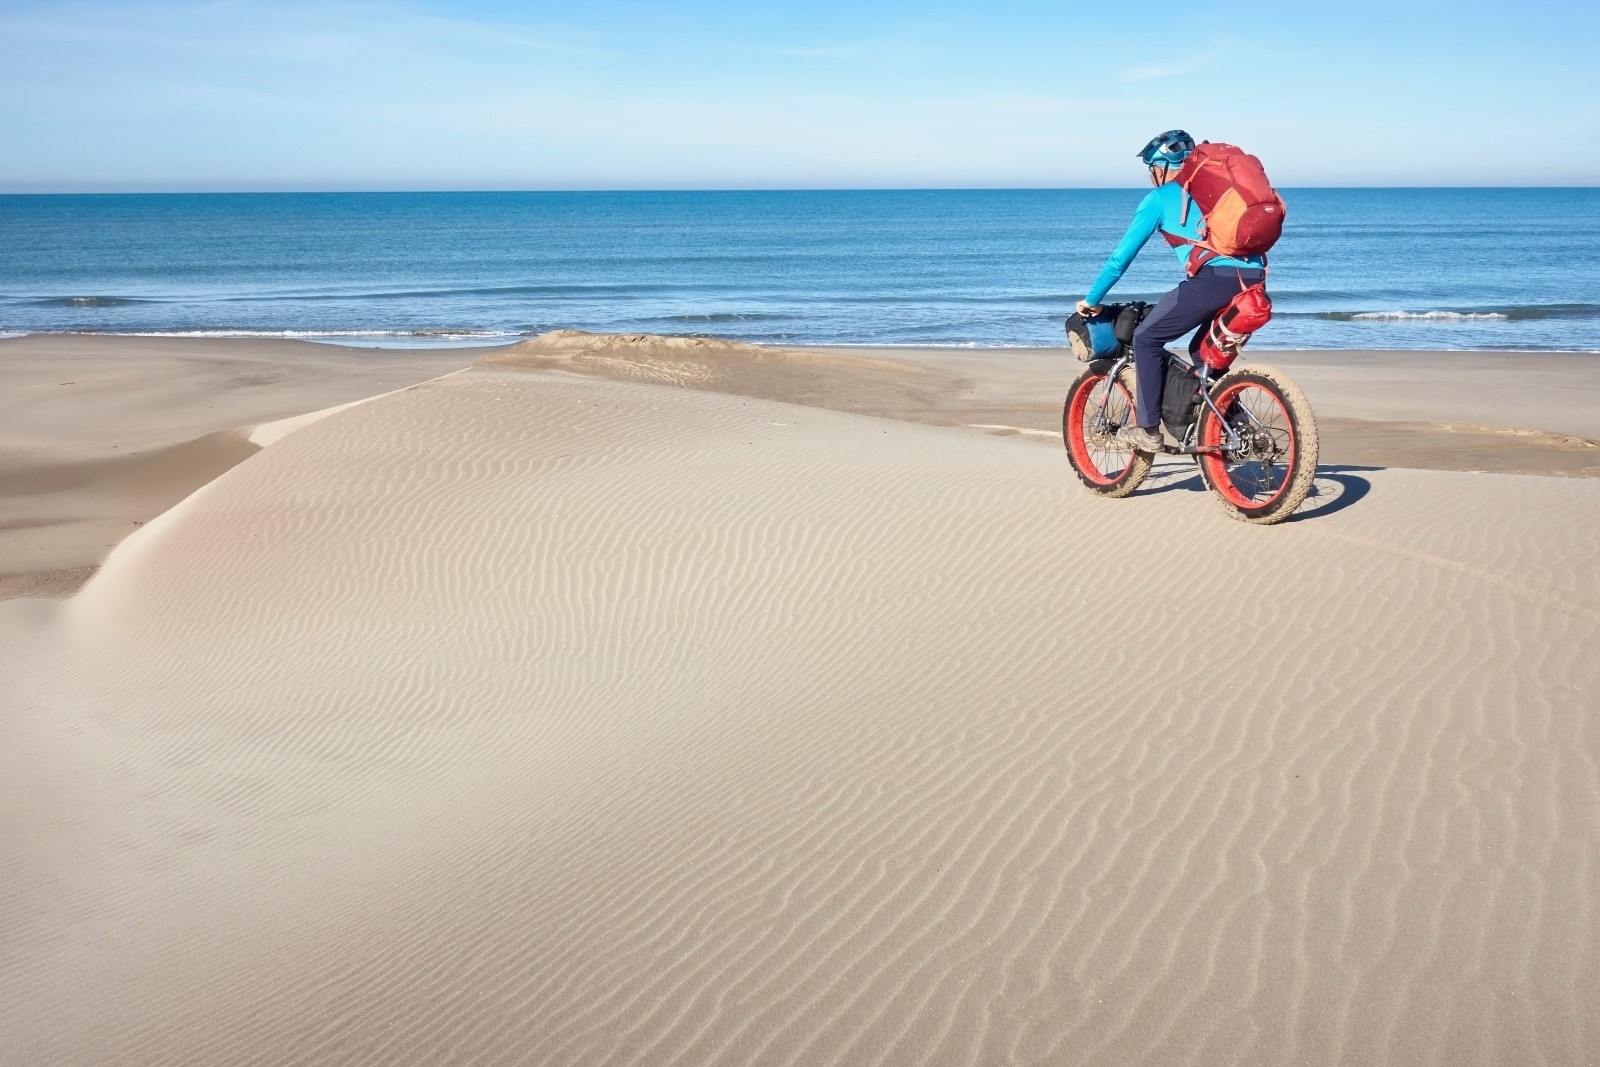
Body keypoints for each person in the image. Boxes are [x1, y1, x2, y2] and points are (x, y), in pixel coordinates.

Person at [1076, 130, 1266, 453]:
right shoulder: (1211, 192)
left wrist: (1092, 300)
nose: (1151, 177)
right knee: (1202, 355)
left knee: (1146, 338)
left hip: (1216, 279)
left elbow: (1120, 259)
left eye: (1151, 169)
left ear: (1161, 167)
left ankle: (1148, 431)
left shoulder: (1159, 198)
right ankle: (1233, 428)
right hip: (1253, 278)